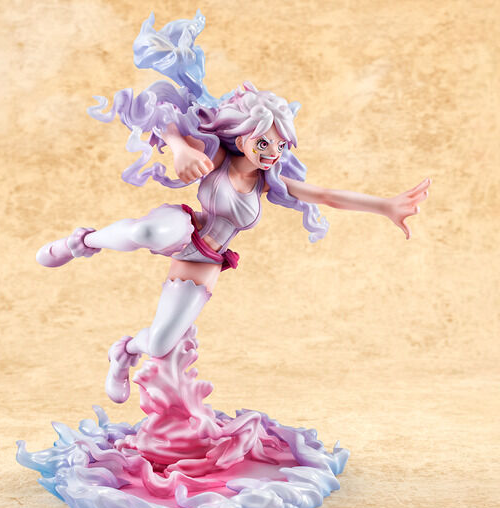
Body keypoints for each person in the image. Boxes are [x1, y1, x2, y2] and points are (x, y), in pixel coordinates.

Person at [35, 11, 429, 405]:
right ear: (242, 139)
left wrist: (385, 206)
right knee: (148, 231)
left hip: (207, 260)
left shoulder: (269, 182)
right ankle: (81, 242)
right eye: (263, 143)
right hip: (186, 227)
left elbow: (326, 195)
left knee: (158, 343)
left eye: (280, 145)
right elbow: (167, 113)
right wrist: (180, 148)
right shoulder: (218, 156)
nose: (272, 153)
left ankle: (123, 353)